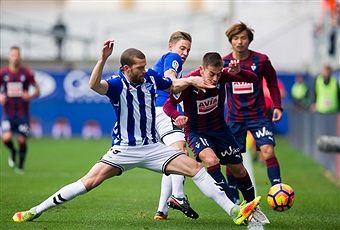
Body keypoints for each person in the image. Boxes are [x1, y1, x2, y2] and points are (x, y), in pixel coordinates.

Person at [12, 40, 261, 226]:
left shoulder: (151, 77)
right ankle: (36, 210)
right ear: (126, 68)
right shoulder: (116, 84)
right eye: (140, 68)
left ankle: (234, 211)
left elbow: (172, 85)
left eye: (145, 67)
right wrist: (101, 59)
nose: (145, 71)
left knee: (195, 169)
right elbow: (93, 85)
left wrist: (192, 81)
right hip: (124, 150)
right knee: (88, 182)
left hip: (153, 148)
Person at [163, 52, 269, 225]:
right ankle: (234, 206)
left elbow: (253, 78)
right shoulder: (190, 82)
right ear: (201, 70)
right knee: (211, 160)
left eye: (218, 74)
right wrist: (177, 116)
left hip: (221, 130)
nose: (215, 78)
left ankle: (253, 209)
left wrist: (239, 71)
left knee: (239, 170)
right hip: (197, 132)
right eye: (211, 74)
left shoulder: (223, 76)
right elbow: (168, 104)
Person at [222, 21, 283, 204]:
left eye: (243, 38)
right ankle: (233, 197)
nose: (239, 41)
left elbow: (272, 83)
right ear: (230, 41)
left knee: (268, 150)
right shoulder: (224, 62)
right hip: (235, 118)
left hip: (258, 116)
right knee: (232, 158)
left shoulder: (261, 60)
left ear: (249, 40)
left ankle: (277, 191)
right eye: (235, 38)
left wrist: (278, 106)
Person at [153, 31, 198, 220]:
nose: (185, 53)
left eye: (188, 49)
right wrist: (190, 81)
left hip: (154, 111)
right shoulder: (172, 58)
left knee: (171, 162)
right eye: (182, 48)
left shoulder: (166, 58)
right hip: (164, 110)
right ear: (170, 46)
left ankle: (161, 211)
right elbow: (170, 77)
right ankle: (178, 197)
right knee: (181, 154)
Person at [0, 46, 40, 174]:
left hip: (22, 114)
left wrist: (30, 95)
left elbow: (37, 90)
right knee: (6, 138)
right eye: (13, 55)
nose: (15, 57)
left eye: (17, 55)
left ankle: (20, 166)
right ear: (9, 57)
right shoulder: (3, 73)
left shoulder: (27, 73)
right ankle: (13, 151)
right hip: (8, 113)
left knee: (22, 140)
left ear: (20, 57)